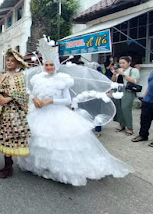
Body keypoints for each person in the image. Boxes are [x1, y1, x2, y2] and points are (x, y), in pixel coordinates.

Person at [18, 38, 133, 186]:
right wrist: (35, 100)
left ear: (56, 65)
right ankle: (40, 166)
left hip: (57, 114)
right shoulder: (37, 78)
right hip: (39, 113)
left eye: (51, 64)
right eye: (46, 64)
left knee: (58, 144)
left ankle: (57, 170)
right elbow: (34, 93)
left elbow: (67, 100)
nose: (48, 67)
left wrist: (50, 101)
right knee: (40, 141)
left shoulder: (63, 79)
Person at [0, 49, 30, 179]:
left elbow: (23, 94)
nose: (10, 62)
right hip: (2, 110)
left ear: (17, 63)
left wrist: (9, 98)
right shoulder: (3, 75)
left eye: (12, 61)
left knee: (11, 136)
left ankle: (8, 166)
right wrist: (0, 96)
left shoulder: (20, 76)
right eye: (8, 60)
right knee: (3, 136)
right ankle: (8, 163)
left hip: (13, 111)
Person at [111, 56, 140, 136]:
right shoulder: (119, 70)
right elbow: (113, 81)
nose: (122, 65)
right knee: (118, 107)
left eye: (123, 63)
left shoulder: (133, 70)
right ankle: (121, 125)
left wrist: (123, 74)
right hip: (118, 90)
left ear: (129, 63)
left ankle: (130, 128)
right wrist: (114, 74)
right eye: (120, 63)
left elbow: (134, 81)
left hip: (128, 90)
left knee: (125, 108)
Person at [132, 69, 153, 146]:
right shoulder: (152, 72)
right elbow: (149, 85)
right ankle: (143, 135)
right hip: (148, 100)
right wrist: (144, 97)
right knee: (144, 119)